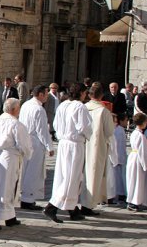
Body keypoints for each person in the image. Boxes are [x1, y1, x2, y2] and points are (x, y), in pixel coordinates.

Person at [0, 98, 33, 230]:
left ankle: (10, 217)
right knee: (6, 188)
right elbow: (24, 144)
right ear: (14, 109)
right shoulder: (16, 124)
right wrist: (28, 153)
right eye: (18, 107)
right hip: (10, 158)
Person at [44, 83, 92, 223]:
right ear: (82, 93)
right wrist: (89, 134)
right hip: (74, 144)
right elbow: (84, 127)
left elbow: (55, 125)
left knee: (65, 175)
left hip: (64, 143)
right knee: (71, 177)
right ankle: (51, 207)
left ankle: (72, 208)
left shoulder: (63, 105)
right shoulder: (80, 107)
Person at [80, 82, 115, 216]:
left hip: (82, 143)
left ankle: (77, 202)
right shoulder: (103, 111)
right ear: (101, 95)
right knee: (93, 173)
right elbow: (109, 131)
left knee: (82, 172)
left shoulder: (83, 107)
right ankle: (88, 204)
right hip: (96, 145)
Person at [18, 86, 53, 210]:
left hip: (25, 140)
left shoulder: (26, 105)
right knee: (33, 172)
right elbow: (42, 130)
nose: (47, 96)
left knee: (25, 170)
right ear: (40, 94)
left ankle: (24, 196)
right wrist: (49, 146)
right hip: (35, 142)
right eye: (46, 94)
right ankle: (28, 199)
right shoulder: (39, 109)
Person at [126, 113, 147, 211]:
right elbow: (143, 151)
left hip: (133, 156)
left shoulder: (134, 133)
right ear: (143, 123)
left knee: (132, 180)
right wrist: (145, 165)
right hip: (138, 159)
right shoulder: (141, 136)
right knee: (137, 181)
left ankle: (132, 200)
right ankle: (134, 202)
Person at [112, 113, 129, 203]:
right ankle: (117, 194)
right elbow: (118, 145)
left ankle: (120, 193)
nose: (127, 122)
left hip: (119, 156)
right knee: (116, 177)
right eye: (126, 120)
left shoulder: (119, 129)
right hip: (117, 156)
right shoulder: (118, 130)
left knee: (119, 177)